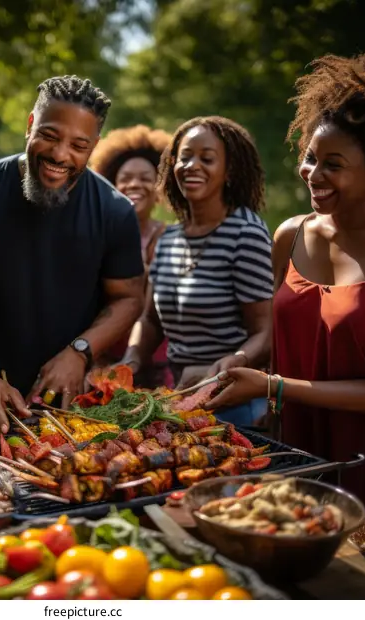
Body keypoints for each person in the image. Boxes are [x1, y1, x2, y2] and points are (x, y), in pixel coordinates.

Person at [206, 48, 365, 513]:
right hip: (296, 454)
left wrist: (273, 387)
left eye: (334, 165)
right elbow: (281, 332)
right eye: (310, 157)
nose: (313, 174)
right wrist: (242, 358)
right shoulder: (291, 234)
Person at [0, 75, 145, 444]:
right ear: (30, 125)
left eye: (78, 145)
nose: (60, 155)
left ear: (94, 145)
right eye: (49, 135)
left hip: (75, 407)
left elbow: (128, 298)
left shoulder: (115, 211)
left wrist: (80, 352)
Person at [122, 116, 273, 427]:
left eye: (207, 158)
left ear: (229, 171)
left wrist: (231, 364)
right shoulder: (169, 239)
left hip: (233, 404)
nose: (192, 165)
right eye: (185, 156)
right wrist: (131, 359)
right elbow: (150, 320)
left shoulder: (246, 233)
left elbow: (264, 332)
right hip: (180, 399)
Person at [89, 124, 172, 387]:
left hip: (159, 364)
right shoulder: (95, 238)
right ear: (112, 184)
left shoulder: (171, 239)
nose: (134, 184)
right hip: (104, 358)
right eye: (125, 178)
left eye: (146, 177)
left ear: (160, 187)